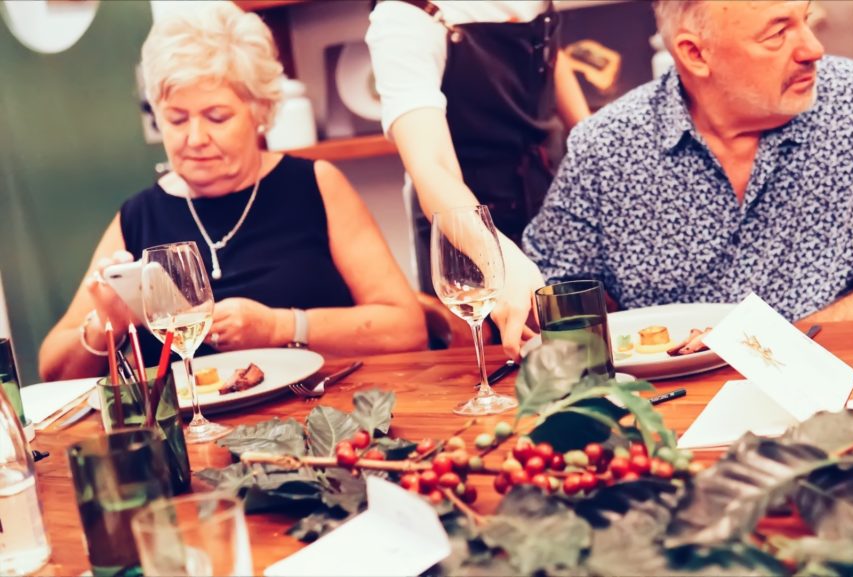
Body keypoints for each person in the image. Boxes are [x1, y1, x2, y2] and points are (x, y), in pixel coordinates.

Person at [39, 1, 426, 381]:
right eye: (176, 119)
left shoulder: (315, 184)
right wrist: (106, 324)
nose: (194, 138)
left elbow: (407, 328)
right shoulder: (138, 216)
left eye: (216, 117)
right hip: (194, 438)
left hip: (322, 417)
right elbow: (53, 369)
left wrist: (282, 327)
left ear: (262, 111)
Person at [523, 0, 853, 322]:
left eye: (804, 20)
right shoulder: (606, 146)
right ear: (695, 54)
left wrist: (782, 347)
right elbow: (555, 293)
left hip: (837, 389)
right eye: (777, 33)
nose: (813, 49)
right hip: (670, 415)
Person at [365, 0, 590, 358]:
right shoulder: (403, 17)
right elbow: (433, 166)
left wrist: (592, 142)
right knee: (496, 366)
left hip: (547, 195)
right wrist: (497, 260)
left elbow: (549, 54)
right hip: (464, 225)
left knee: (581, 355)